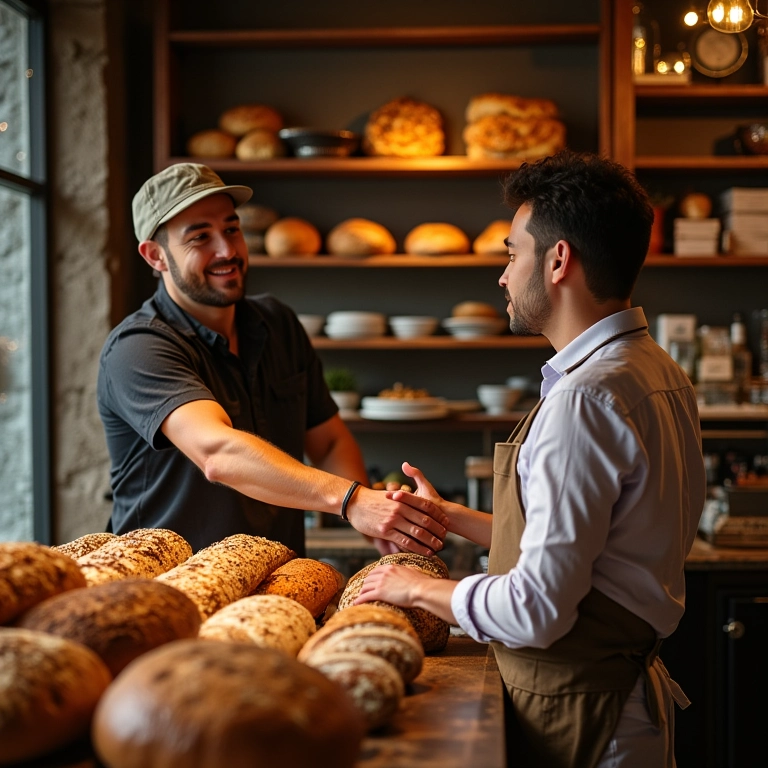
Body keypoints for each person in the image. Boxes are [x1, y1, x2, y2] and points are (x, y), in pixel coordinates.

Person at [355, 151, 706, 768]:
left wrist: (412, 586)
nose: (502, 276)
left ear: (559, 260)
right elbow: (597, 551)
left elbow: (536, 611)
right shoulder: (652, 369)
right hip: (616, 706)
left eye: (512, 253)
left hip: (587, 722)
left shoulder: (584, 398)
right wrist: (455, 517)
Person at [97, 162, 447, 557]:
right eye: (200, 238)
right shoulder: (138, 347)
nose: (227, 250)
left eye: (232, 229)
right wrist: (351, 500)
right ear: (155, 256)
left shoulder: (277, 323)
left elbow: (329, 441)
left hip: (277, 580)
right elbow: (217, 453)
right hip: (168, 586)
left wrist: (373, 520)